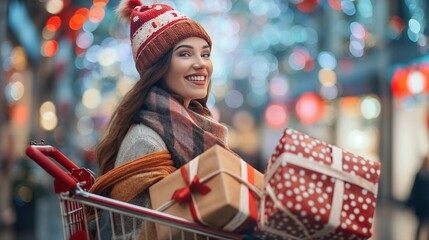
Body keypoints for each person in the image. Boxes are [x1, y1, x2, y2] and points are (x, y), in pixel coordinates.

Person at [87, 0, 231, 238]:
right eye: (185, 54)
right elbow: (130, 232)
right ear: (158, 67)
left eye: (205, 54)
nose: (201, 64)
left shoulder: (190, 126)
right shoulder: (146, 141)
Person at [407, 153, 429, 240]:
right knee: (420, 224)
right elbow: (414, 190)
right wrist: (410, 203)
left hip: (427, 205)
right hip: (421, 205)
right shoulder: (419, 175)